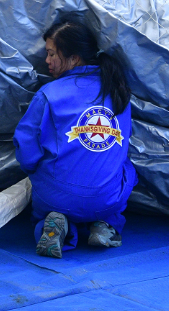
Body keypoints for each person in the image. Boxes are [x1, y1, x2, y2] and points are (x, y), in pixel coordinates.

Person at [14, 13, 136, 259]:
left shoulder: (49, 93)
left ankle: (55, 227)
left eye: (51, 53)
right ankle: (106, 224)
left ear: (73, 58)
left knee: (47, 201)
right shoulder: (118, 89)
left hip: (54, 198)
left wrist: (35, 169)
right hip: (106, 198)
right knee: (128, 171)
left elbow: (25, 143)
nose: (46, 60)